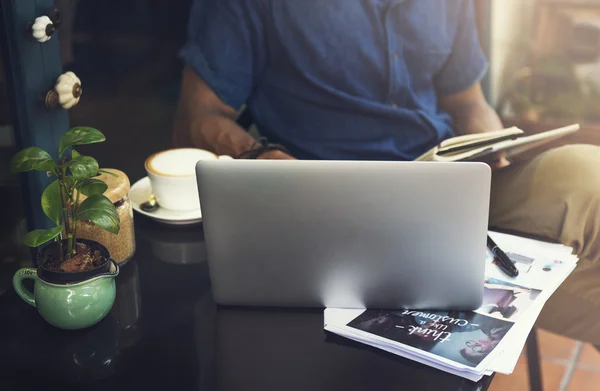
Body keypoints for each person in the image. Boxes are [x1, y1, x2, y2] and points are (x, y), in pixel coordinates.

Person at [173, 0, 600, 345]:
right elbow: (199, 116)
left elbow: (467, 102)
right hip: (332, 202)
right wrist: (269, 160)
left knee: (587, 173)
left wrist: (491, 144)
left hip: (447, 182)